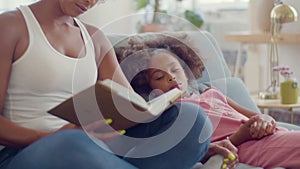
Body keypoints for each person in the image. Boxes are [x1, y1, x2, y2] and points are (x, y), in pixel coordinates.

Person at [0, 1, 212, 169]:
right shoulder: (10, 26)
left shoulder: (95, 38)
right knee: (70, 143)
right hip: (33, 151)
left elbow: (134, 109)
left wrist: (198, 144)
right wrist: (50, 137)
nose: (91, 2)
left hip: (100, 148)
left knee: (193, 120)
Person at [115, 33, 300, 169]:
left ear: (187, 73)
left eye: (175, 70)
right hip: (247, 146)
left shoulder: (213, 93)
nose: (171, 77)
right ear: (148, 87)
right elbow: (203, 149)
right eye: (159, 77)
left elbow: (257, 115)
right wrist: (243, 134)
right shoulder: (173, 115)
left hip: (275, 134)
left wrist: (265, 121)